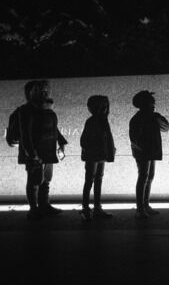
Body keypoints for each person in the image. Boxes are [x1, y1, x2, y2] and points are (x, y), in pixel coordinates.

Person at [10, 80, 67, 219]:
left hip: (48, 150)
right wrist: (32, 153)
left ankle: (44, 204)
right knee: (34, 180)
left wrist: (61, 142)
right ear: (31, 93)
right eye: (41, 90)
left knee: (46, 179)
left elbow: (54, 129)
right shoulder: (26, 110)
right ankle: (33, 209)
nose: (45, 92)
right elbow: (25, 134)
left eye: (46, 90)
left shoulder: (47, 109)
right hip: (35, 151)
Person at [130, 90, 169, 219]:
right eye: (150, 101)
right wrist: (142, 149)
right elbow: (135, 138)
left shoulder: (152, 116)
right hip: (144, 152)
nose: (153, 103)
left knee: (149, 177)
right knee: (143, 177)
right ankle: (140, 207)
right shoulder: (138, 119)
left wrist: (158, 118)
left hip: (151, 151)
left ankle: (145, 205)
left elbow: (165, 128)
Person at [79, 95, 115, 221]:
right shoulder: (95, 121)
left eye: (106, 106)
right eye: (103, 106)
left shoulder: (100, 120)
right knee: (92, 179)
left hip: (98, 154)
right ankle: (87, 208)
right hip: (94, 154)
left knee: (95, 179)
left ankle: (93, 208)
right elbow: (84, 140)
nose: (105, 108)